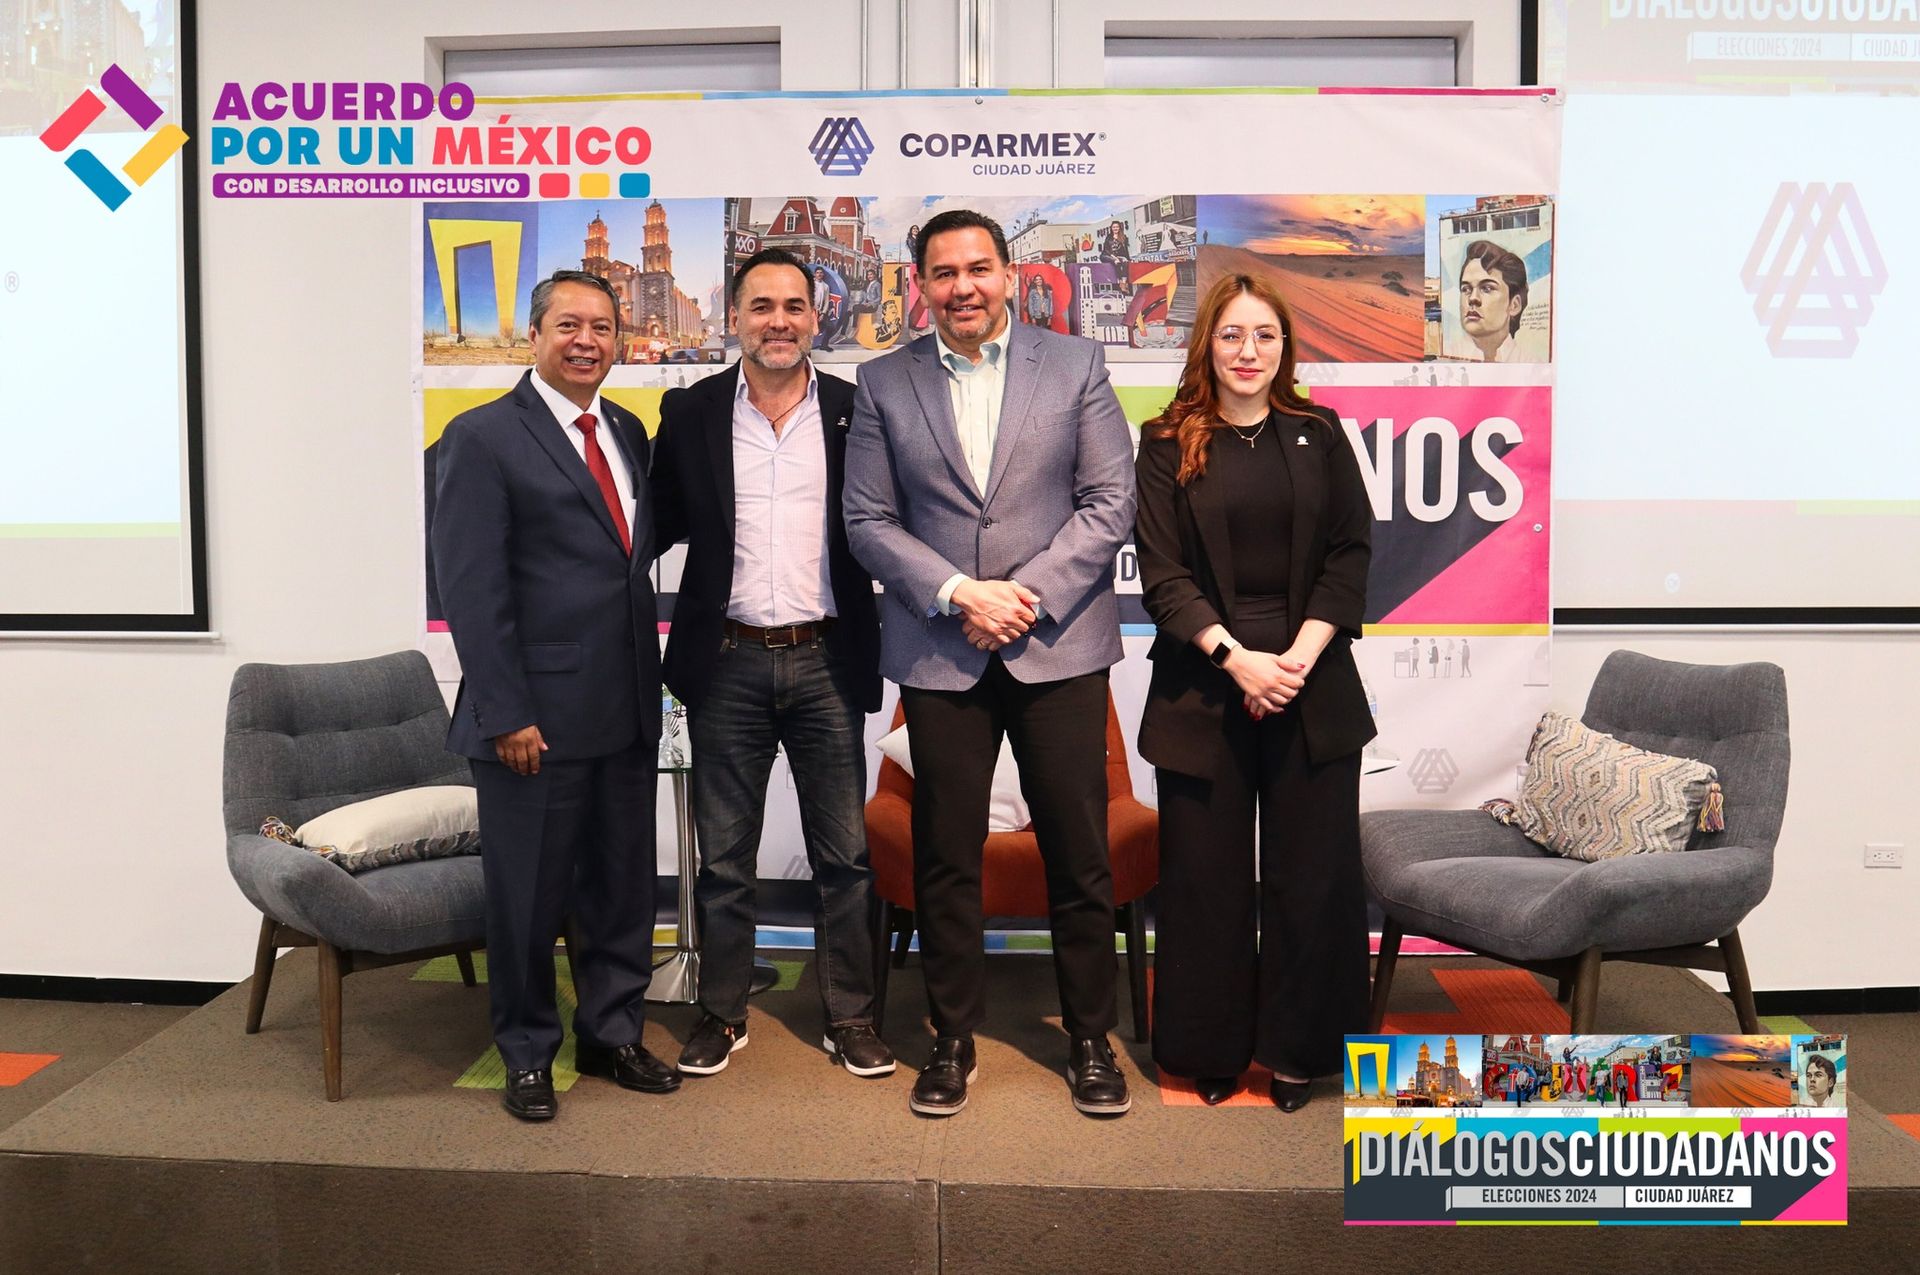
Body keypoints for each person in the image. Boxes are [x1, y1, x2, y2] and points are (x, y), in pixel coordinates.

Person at [843, 208, 1137, 1119]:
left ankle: (1090, 1039)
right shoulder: (883, 382)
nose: (962, 287)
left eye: (978, 268)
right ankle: (952, 1039)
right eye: (944, 273)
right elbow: (867, 520)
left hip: (1059, 646)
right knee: (945, 858)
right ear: (920, 285)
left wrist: (1024, 595)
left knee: (1079, 854)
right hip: (942, 651)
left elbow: (1110, 499)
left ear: (1008, 274)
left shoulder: (1076, 364)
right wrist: (961, 593)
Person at [433, 270, 678, 1122]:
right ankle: (528, 1051)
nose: (587, 341)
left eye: (603, 327)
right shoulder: (481, 436)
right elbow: (472, 589)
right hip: (532, 720)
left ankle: (611, 1034)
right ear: (534, 335)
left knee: (621, 889)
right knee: (529, 899)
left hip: (626, 708)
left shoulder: (626, 430)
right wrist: (505, 711)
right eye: (568, 325)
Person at [1133, 272, 1374, 1112]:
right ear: (1208, 343)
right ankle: (1212, 1046)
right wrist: (1239, 660)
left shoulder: (1319, 432)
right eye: (1232, 334)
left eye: (1264, 335)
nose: (1248, 351)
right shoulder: (1166, 440)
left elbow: (1350, 552)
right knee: (1207, 882)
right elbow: (1162, 574)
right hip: (1205, 686)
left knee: (1313, 879)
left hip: (1312, 682)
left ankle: (1301, 1050)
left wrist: (1294, 661)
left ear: (1285, 347)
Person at [650, 248, 892, 1082]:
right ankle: (721, 1012)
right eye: (761, 307)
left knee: (845, 858)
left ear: (816, 317)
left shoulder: (860, 411)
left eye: (794, 306)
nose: (778, 321)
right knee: (723, 860)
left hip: (828, 658)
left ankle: (850, 1016)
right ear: (735, 319)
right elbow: (652, 524)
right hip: (727, 664)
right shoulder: (691, 412)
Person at [1457, 239, 1528, 363]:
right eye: (1466, 289)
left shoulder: (1532, 365)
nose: (1472, 298)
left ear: (1514, 305)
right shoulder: (1448, 359)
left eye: (1487, 288)